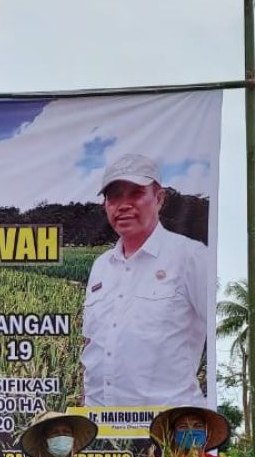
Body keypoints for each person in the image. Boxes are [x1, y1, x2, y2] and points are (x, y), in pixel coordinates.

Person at [80, 154, 210, 407]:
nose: (123, 205)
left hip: (167, 429)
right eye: (114, 196)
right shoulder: (101, 266)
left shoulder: (191, 256)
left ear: (159, 198)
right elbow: (91, 347)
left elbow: (217, 335)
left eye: (136, 194)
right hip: (100, 426)